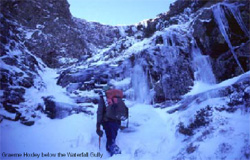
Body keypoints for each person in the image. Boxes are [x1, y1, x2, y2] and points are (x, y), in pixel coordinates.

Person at [96, 85, 121, 156]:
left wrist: (98, 125)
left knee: (110, 136)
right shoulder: (115, 98)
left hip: (107, 121)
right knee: (113, 135)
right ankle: (113, 148)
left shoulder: (103, 99)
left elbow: (100, 112)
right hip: (116, 121)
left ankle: (112, 150)